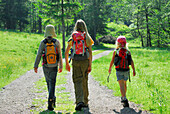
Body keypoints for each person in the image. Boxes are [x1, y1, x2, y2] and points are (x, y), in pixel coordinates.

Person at [65, 19, 94, 111]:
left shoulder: (73, 36)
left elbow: (66, 51)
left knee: (77, 80)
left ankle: (79, 101)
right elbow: (90, 51)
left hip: (75, 60)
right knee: (84, 80)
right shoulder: (87, 37)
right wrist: (90, 65)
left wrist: (67, 63)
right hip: (85, 60)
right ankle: (85, 101)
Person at [34, 25, 63, 111]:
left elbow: (39, 54)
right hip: (54, 65)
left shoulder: (43, 42)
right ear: (53, 32)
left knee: (48, 82)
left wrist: (36, 65)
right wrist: (60, 65)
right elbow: (60, 55)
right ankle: (51, 100)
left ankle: (51, 99)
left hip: (45, 66)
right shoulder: (56, 42)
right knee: (52, 82)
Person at [108, 36, 136, 107]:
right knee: (124, 84)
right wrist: (133, 70)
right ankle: (124, 96)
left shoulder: (116, 51)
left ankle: (124, 98)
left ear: (117, 43)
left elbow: (112, 61)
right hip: (126, 70)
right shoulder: (127, 52)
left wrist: (110, 68)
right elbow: (131, 61)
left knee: (121, 85)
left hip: (119, 70)